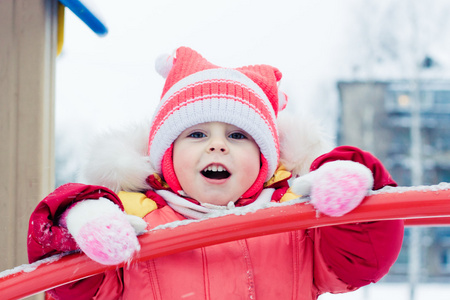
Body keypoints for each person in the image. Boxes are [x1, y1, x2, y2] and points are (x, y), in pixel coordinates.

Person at [27, 47, 404, 300]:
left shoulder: (296, 219)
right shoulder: (132, 219)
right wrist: (82, 223)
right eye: (196, 134)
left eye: (238, 136)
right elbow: (72, 287)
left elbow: (363, 258)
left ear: (265, 161)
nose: (218, 146)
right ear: (167, 156)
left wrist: (348, 181)